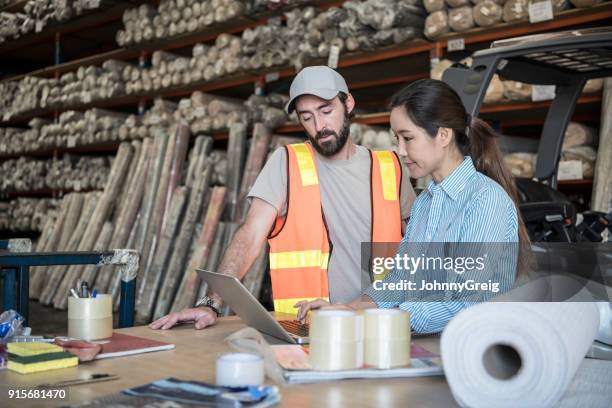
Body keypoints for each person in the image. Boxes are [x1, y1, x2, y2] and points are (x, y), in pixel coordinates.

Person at [150, 66, 416, 330]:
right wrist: (211, 302)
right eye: (306, 117)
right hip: (308, 329)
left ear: (348, 103)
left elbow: (422, 244)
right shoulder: (287, 163)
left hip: (382, 325)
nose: (319, 126)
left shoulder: (390, 166)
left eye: (326, 111)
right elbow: (250, 235)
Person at [296, 79, 530, 333]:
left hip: (477, 346)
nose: (401, 151)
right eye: (397, 139)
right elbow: (400, 280)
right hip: (429, 341)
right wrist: (348, 310)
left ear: (443, 135)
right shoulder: (425, 204)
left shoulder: (484, 201)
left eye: (408, 138)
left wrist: (376, 321)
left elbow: (465, 300)